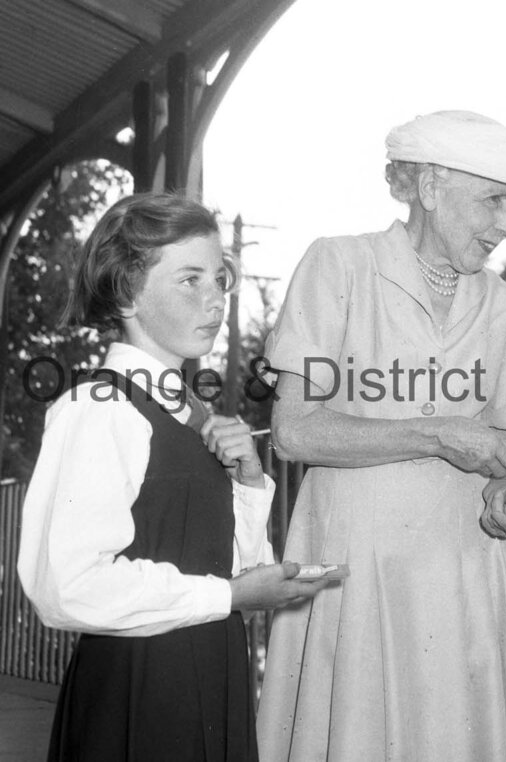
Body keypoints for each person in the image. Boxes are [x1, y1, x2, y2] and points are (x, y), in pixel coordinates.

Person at [256, 110, 506, 761]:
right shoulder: (338, 266)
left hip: (463, 577)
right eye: (492, 200)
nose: (505, 224)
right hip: (355, 569)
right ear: (429, 186)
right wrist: (436, 434)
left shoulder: (505, 307)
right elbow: (293, 431)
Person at [17, 192, 327, 762]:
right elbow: (65, 587)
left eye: (220, 280)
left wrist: (249, 482)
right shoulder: (101, 408)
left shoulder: (191, 415)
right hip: (140, 698)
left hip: (212, 679)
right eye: (190, 281)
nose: (215, 301)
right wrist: (230, 595)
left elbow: (231, 568)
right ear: (128, 292)